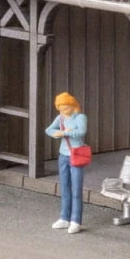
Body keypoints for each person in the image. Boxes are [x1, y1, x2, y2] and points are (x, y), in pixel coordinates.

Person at [45, 92, 88, 234]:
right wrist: (60, 133)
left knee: (76, 189)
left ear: (72, 105)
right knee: (64, 187)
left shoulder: (80, 117)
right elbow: (49, 130)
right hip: (63, 154)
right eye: (61, 109)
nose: (64, 111)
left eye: (66, 108)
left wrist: (64, 133)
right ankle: (64, 217)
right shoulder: (60, 118)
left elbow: (81, 132)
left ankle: (76, 220)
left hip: (76, 154)